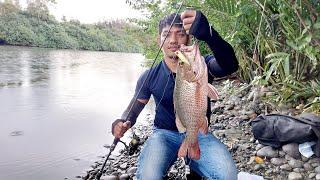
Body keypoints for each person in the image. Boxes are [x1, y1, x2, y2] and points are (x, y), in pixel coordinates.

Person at [112, 10, 238, 180]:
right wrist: (122, 121)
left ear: (189, 38)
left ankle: (195, 164)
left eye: (180, 34)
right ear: (159, 41)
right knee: (149, 176)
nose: (173, 40)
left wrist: (209, 33)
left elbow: (229, 65)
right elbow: (134, 108)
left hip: (198, 133)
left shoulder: (201, 65)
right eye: (167, 35)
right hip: (164, 134)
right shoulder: (149, 75)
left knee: (227, 175)